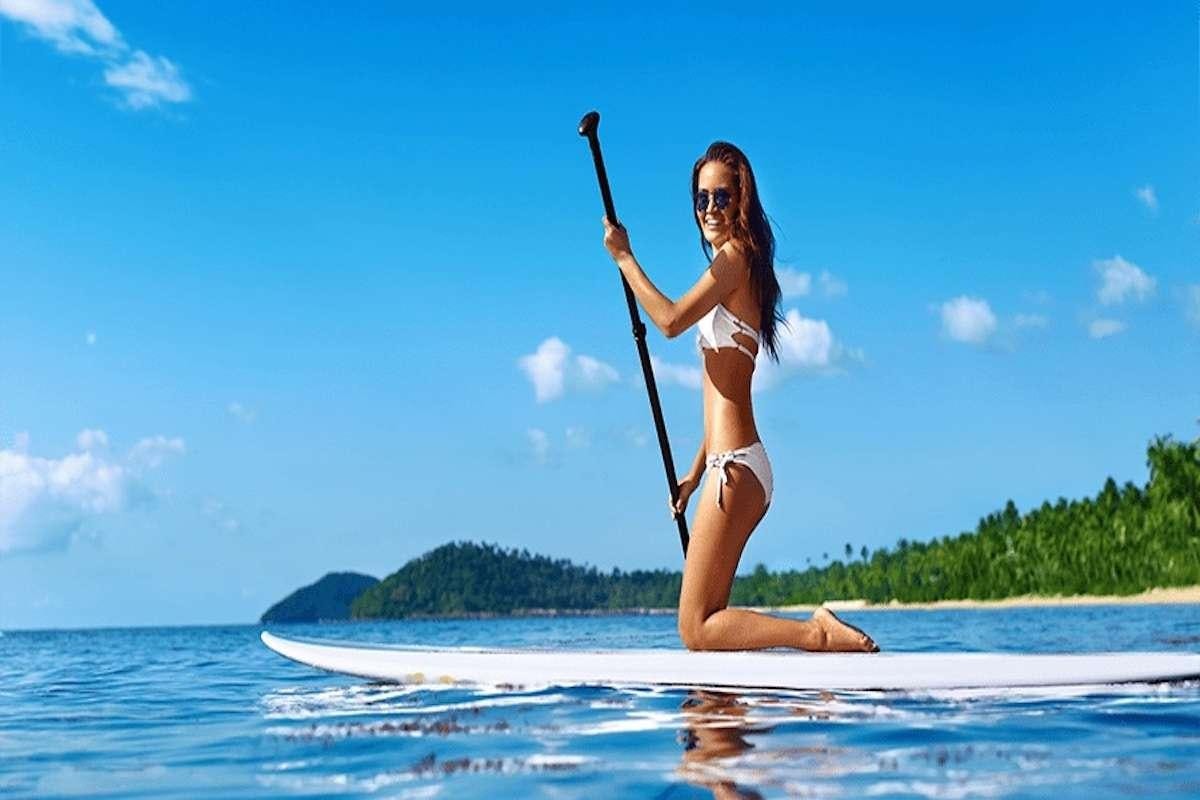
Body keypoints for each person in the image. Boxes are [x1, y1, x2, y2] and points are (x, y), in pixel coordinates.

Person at [602, 141, 878, 653]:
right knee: (710, 625)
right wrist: (691, 474)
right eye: (701, 199)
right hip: (729, 463)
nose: (710, 209)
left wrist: (625, 259)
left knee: (695, 627)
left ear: (742, 200)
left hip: (737, 468)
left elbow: (667, 321)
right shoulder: (736, 268)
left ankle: (814, 633)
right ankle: (724, 723)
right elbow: (719, 396)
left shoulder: (735, 259)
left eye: (722, 197)